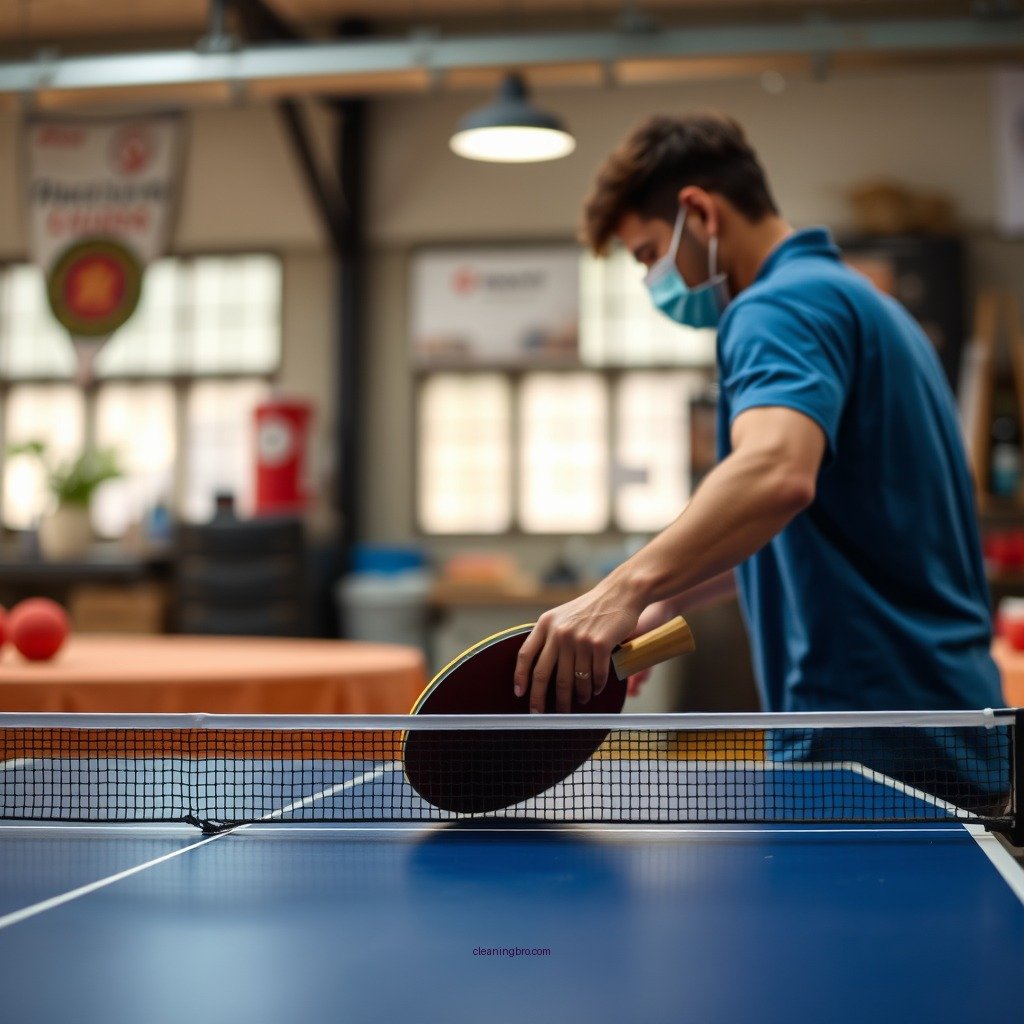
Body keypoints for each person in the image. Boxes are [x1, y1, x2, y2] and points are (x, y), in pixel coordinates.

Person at [511, 114, 1006, 798]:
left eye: (649, 254)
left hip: (868, 735)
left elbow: (776, 473)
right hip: (948, 718)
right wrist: (667, 599)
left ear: (699, 213)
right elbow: (812, 524)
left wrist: (619, 591)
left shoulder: (777, 307)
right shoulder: (862, 302)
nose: (653, 281)